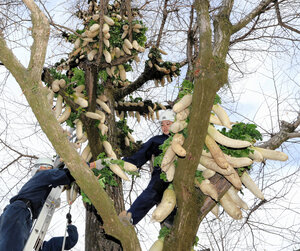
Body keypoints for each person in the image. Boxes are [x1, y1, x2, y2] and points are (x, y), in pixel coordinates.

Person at [0, 157, 75, 251]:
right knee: (10, 245)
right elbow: (65, 174)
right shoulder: (41, 176)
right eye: (49, 169)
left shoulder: (40, 188)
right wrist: (89, 167)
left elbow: (68, 241)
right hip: (19, 211)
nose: (50, 172)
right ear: (41, 167)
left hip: (20, 214)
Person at [118, 109, 177, 226]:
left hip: (181, 177)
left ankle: (172, 220)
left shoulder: (185, 139)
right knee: (151, 194)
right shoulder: (157, 140)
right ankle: (131, 217)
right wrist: (122, 163)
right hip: (161, 177)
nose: (164, 127)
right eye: (162, 125)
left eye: (168, 124)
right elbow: (141, 154)